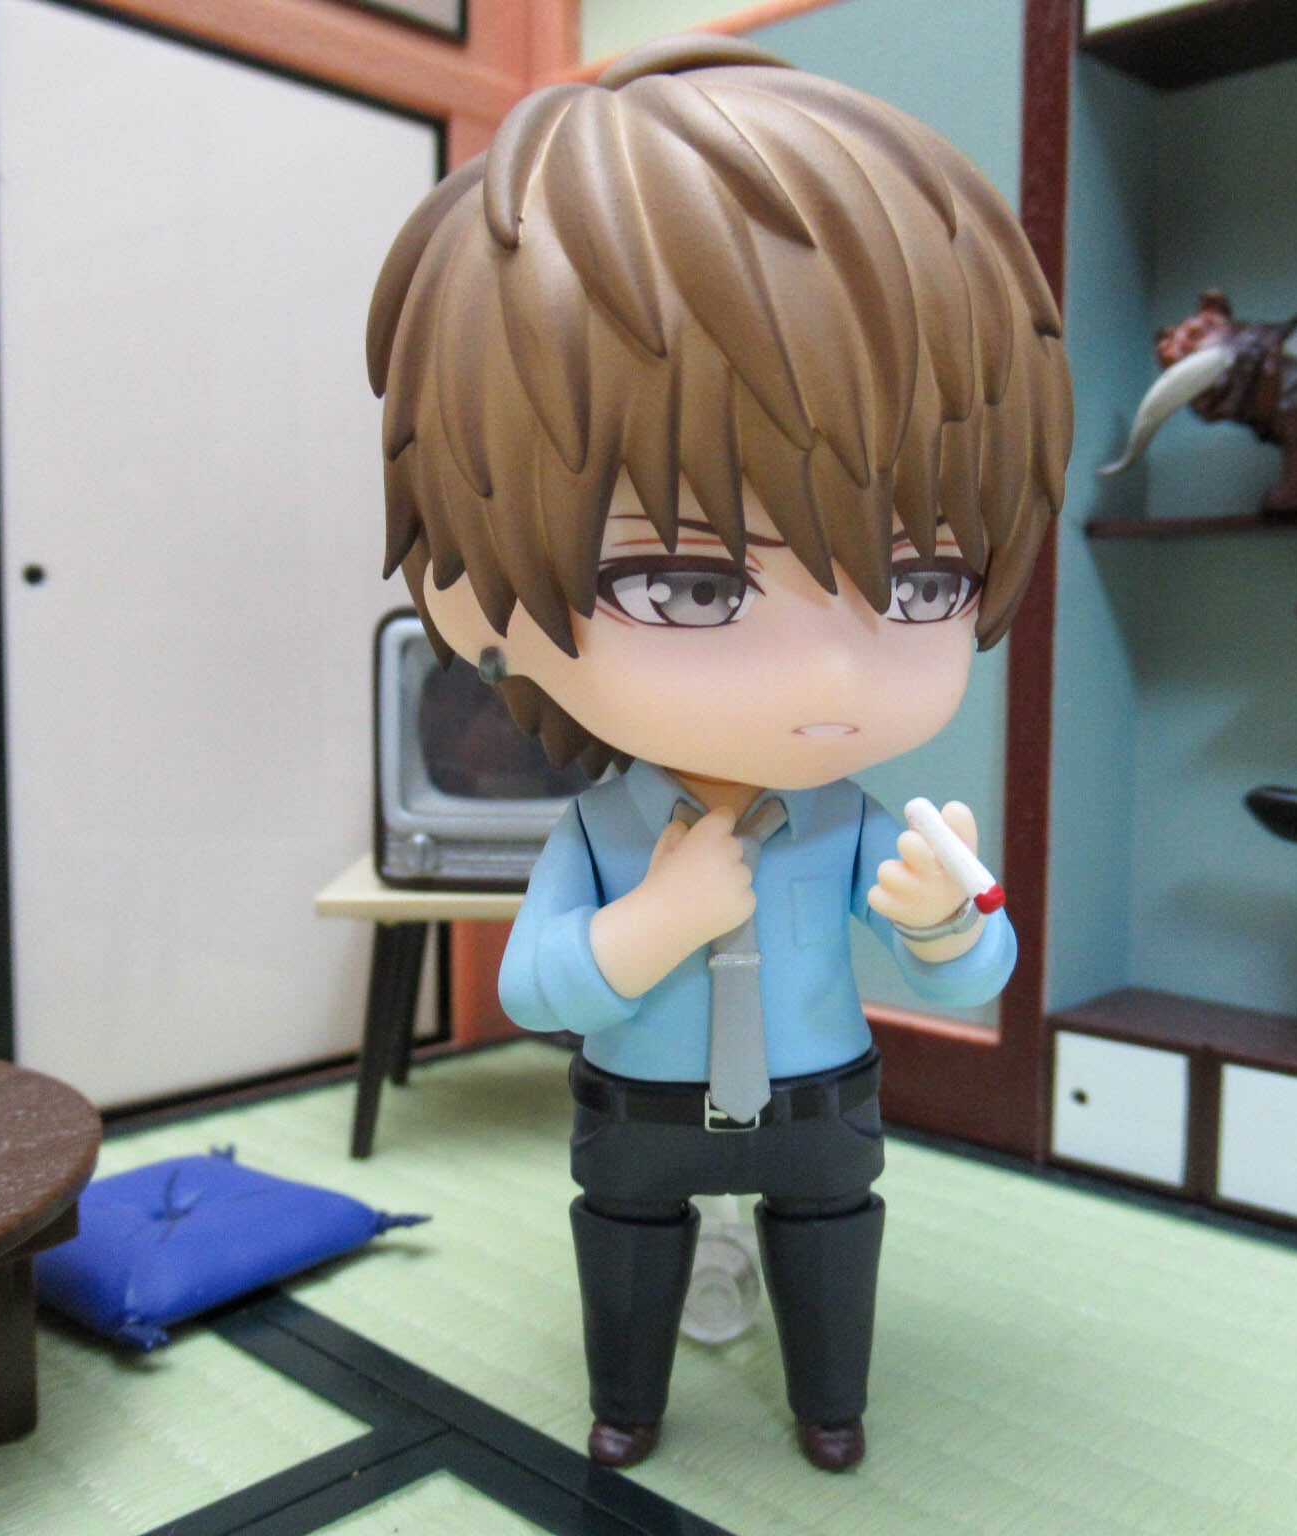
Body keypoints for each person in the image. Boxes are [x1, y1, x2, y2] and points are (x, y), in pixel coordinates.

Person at [364, 31, 1073, 1472]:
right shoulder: (599, 833)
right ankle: (626, 1405)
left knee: (832, 1237)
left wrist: (949, 923)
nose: (828, 678)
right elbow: (534, 985)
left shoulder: (853, 822)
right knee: (628, 1242)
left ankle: (832, 1406)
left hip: (819, 1098)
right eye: (688, 586)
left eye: (921, 585)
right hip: (642, 1104)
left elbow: (980, 975)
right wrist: (656, 923)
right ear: (473, 601)